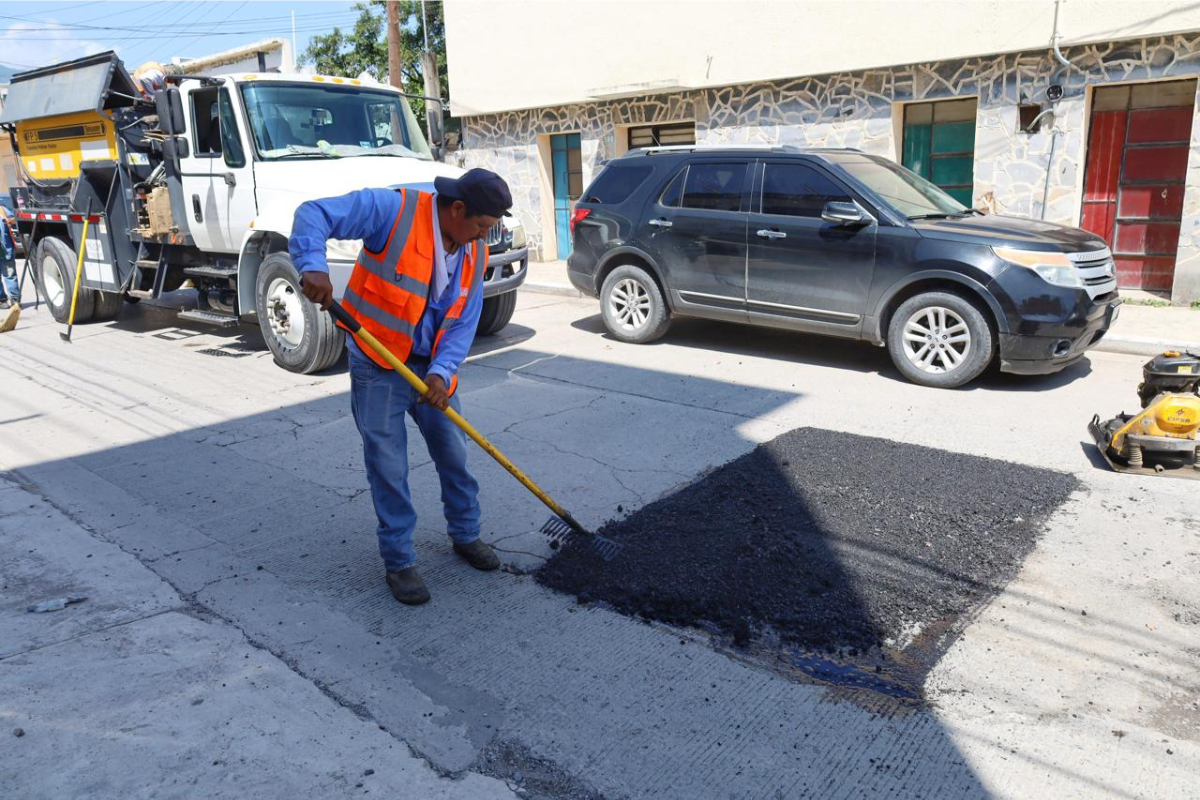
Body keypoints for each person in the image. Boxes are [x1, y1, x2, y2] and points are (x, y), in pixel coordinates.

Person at [290, 169, 512, 605]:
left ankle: (466, 535)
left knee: (454, 453)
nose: (482, 237)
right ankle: (400, 561)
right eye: (480, 226)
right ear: (457, 209)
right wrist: (312, 265)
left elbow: (463, 322)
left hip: (429, 371)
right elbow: (312, 214)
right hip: (378, 365)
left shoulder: (473, 250)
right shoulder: (392, 210)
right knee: (389, 467)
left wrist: (442, 374)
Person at [0, 206, 19, 310]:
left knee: (10, 274)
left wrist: (9, 220)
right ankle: (2, 300)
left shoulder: (2, 209)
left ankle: (15, 299)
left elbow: (14, 219)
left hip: (6, 250)